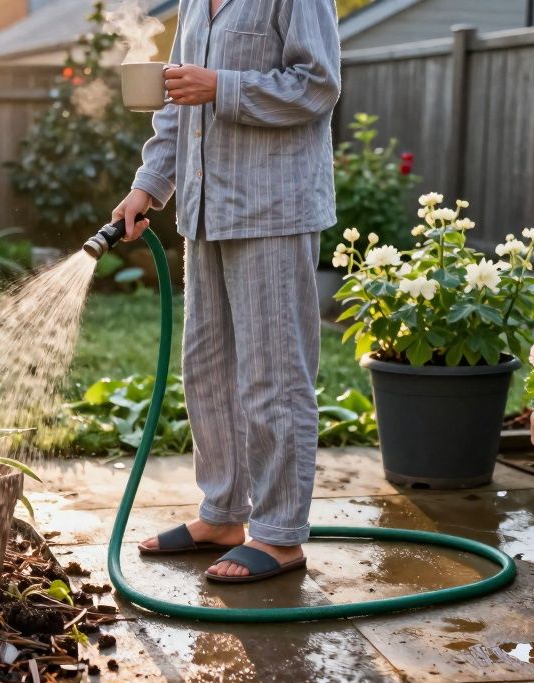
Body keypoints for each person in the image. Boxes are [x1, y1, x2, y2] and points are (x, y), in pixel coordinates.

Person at [113, 0, 341, 583]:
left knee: (274, 377)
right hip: (205, 209)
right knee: (207, 370)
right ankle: (223, 515)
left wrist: (222, 86)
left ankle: (280, 535)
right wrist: (148, 187)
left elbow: (318, 85)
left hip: (272, 209)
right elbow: (176, 103)